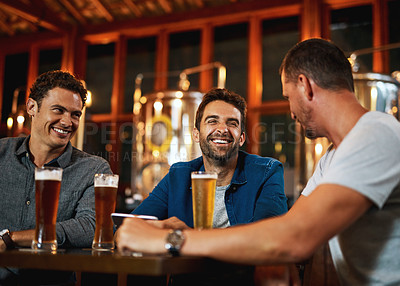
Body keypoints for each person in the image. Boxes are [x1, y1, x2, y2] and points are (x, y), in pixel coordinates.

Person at [116, 38, 400, 286]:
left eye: (288, 97)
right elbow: (289, 226)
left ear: (306, 87)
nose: (290, 112)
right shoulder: (333, 157)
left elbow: (296, 237)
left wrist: (172, 241)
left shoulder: (376, 133)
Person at [0, 70, 112, 285]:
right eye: (58, 110)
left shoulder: (93, 168)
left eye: (75, 114)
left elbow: (91, 227)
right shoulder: (1, 153)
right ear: (32, 107)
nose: (67, 122)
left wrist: (9, 238)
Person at [131, 87, 288, 229]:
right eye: (212, 121)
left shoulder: (267, 172)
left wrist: (188, 237)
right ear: (196, 134)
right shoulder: (178, 176)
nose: (222, 129)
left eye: (232, 123)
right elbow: (127, 228)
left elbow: (270, 235)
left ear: (241, 138)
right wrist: (161, 227)